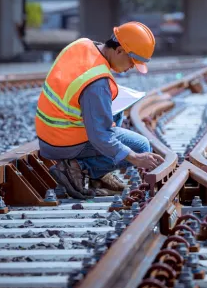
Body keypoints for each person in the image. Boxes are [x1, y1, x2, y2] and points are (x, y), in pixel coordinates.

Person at [35, 21, 165, 199]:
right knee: (141, 145)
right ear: (118, 50)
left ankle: (97, 174)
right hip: (63, 141)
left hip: (48, 130)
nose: (131, 67)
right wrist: (135, 157)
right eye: (132, 61)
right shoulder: (97, 83)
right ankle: (78, 168)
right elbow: (100, 136)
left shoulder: (82, 44)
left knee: (115, 110)